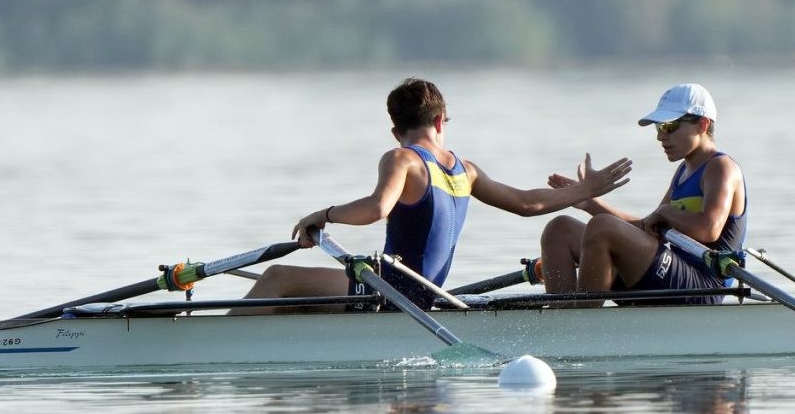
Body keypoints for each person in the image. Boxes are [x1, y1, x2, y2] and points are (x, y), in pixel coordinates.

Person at [241, 77, 632, 312]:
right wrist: (584, 190)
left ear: (395, 131)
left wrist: (323, 215)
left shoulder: (402, 158)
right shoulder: (466, 171)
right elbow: (528, 204)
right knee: (296, 296)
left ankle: (218, 348)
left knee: (277, 277)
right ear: (440, 120)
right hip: (422, 294)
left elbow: (377, 207)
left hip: (391, 292)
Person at [539, 83, 746, 305]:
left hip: (703, 287)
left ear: (702, 125)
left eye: (669, 126)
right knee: (559, 229)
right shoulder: (684, 171)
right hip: (672, 277)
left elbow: (709, 229)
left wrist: (665, 212)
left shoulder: (721, 168)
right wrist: (589, 203)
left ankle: (583, 322)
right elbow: (649, 227)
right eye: (658, 128)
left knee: (601, 227)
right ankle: (561, 318)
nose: (660, 137)